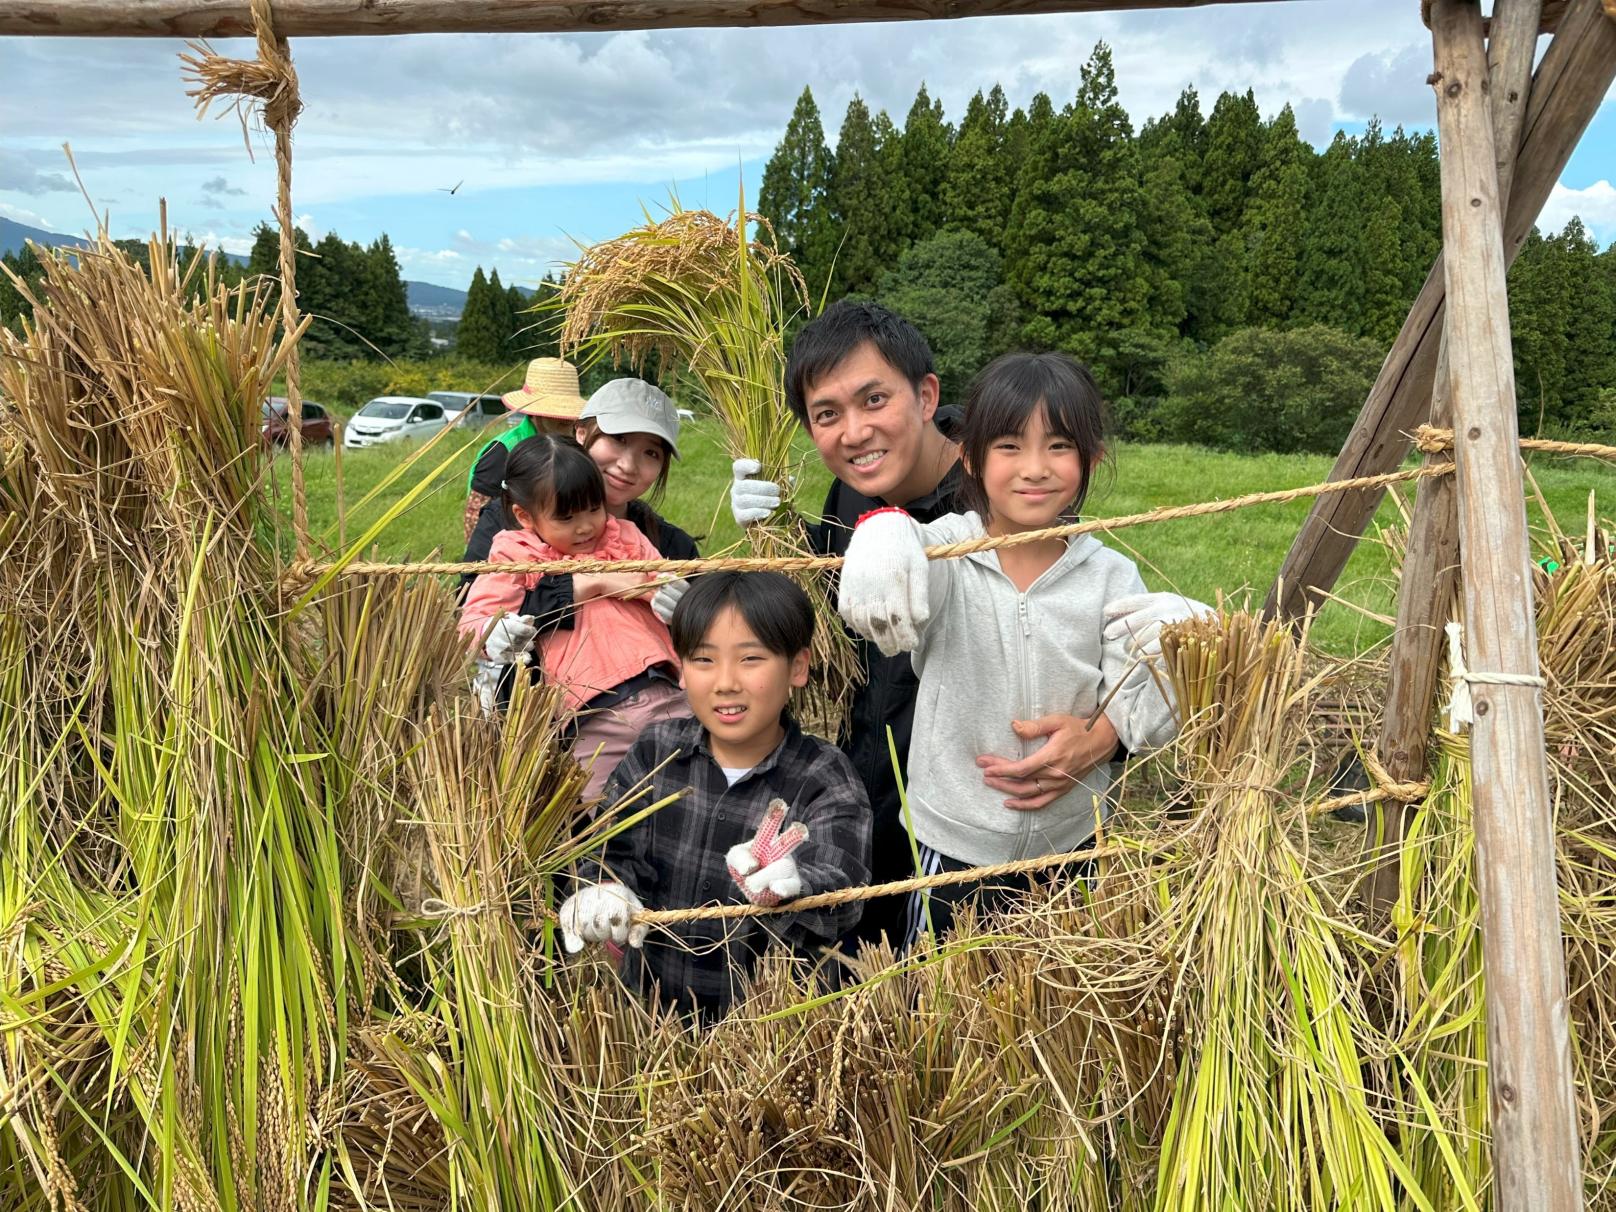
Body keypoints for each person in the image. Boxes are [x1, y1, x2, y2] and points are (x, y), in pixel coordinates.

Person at [728, 301, 1200, 948]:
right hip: (899, 810)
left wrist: (1103, 737)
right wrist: (776, 540)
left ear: (926, 398)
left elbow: (1092, 646)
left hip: (1018, 825)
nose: (856, 432)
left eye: (874, 400)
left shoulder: (996, 506)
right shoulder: (857, 493)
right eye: (826, 415)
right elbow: (838, 610)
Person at [836, 351, 1195, 944]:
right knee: (942, 998)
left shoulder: (1111, 576)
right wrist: (883, 529)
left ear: (1091, 459)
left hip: (1072, 843)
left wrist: (1102, 739)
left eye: (1058, 446)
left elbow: (1136, 686)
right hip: (950, 847)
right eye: (1009, 446)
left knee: (1057, 998)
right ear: (971, 458)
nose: (1035, 468)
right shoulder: (940, 556)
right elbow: (901, 561)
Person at [556, 572, 872, 1017]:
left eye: (751, 659)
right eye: (703, 660)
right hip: (652, 1014)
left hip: (771, 1031)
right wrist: (604, 886)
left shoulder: (825, 776)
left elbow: (843, 889)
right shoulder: (655, 751)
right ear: (680, 667)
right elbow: (609, 845)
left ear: (798, 667)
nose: (725, 682)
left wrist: (793, 884)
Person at [460, 434, 688, 798]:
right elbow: (473, 622)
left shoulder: (626, 536)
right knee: (601, 811)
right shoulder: (514, 555)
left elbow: (662, 580)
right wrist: (494, 632)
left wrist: (679, 601)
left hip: (670, 692)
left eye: (594, 509)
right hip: (595, 716)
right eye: (566, 517)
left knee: (687, 790)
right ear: (524, 515)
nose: (585, 527)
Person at [463, 357, 590, 543]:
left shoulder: (576, 445)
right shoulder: (503, 450)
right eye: (555, 410)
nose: (566, 418)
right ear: (534, 411)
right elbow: (475, 516)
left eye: (568, 409)